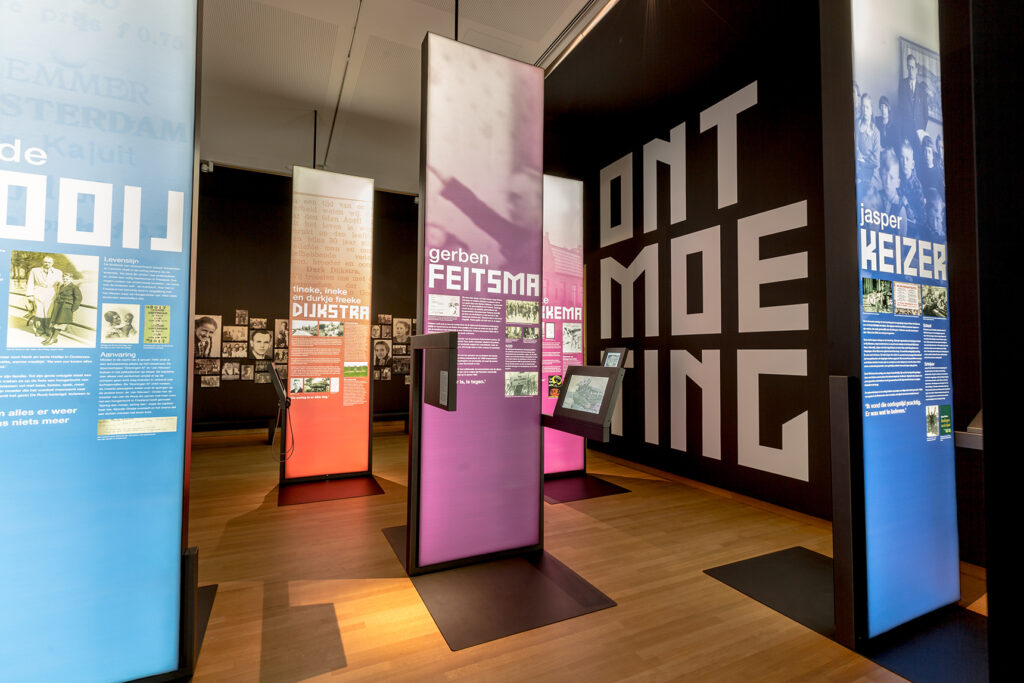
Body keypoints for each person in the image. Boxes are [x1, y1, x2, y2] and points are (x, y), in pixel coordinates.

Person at [25, 255, 63, 337]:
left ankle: (48, 330)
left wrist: (61, 295)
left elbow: (60, 285)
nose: (47, 264)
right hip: (38, 293)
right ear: (43, 262)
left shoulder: (58, 272)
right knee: (38, 313)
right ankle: (39, 330)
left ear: (52, 263)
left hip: (52, 294)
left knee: (50, 313)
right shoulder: (35, 271)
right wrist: (30, 295)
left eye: (49, 262)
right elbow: (30, 282)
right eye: (45, 262)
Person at [897, 53, 929, 144]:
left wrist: (921, 130)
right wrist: (902, 133)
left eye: (912, 67)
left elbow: (925, 114)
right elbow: (900, 111)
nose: (911, 70)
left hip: (919, 133)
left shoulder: (922, 89)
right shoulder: (902, 85)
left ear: (917, 69)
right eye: (909, 67)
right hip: (906, 132)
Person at [42, 272, 82, 346]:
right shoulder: (62, 286)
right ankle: (52, 338)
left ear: (71, 279)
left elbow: (78, 299)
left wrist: (73, 309)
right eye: (64, 278)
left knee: (60, 324)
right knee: (54, 322)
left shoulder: (74, 287)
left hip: (66, 308)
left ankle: (53, 339)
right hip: (58, 306)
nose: (65, 280)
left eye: (67, 279)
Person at [854, 93, 880, 196]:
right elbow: (854, 147)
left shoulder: (876, 132)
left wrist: (863, 160)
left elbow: (876, 160)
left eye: (867, 107)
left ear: (871, 110)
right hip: (857, 169)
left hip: (871, 172)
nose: (865, 110)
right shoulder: (856, 125)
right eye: (863, 107)